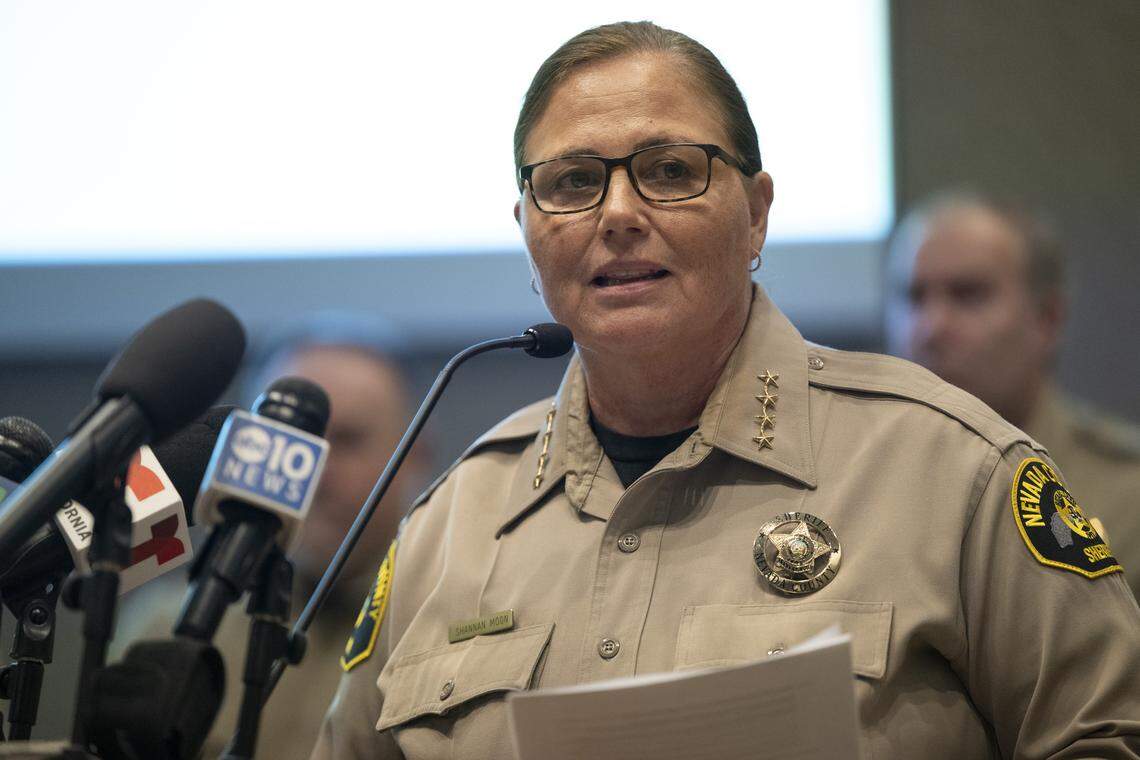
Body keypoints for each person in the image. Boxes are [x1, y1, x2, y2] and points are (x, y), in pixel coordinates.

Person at [312, 22, 1140, 760]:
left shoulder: (952, 471)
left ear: (756, 213)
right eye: (571, 184)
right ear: (527, 232)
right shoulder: (447, 530)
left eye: (669, 170)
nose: (619, 213)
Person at [114, 313, 428, 760]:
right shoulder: (163, 630)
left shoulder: (442, 634)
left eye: (348, 440)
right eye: (287, 441)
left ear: (417, 455)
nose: (314, 473)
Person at [885, 193, 1140, 595]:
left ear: (1047, 318)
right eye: (914, 297)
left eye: (968, 294)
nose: (930, 328)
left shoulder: (1128, 491)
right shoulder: (869, 479)